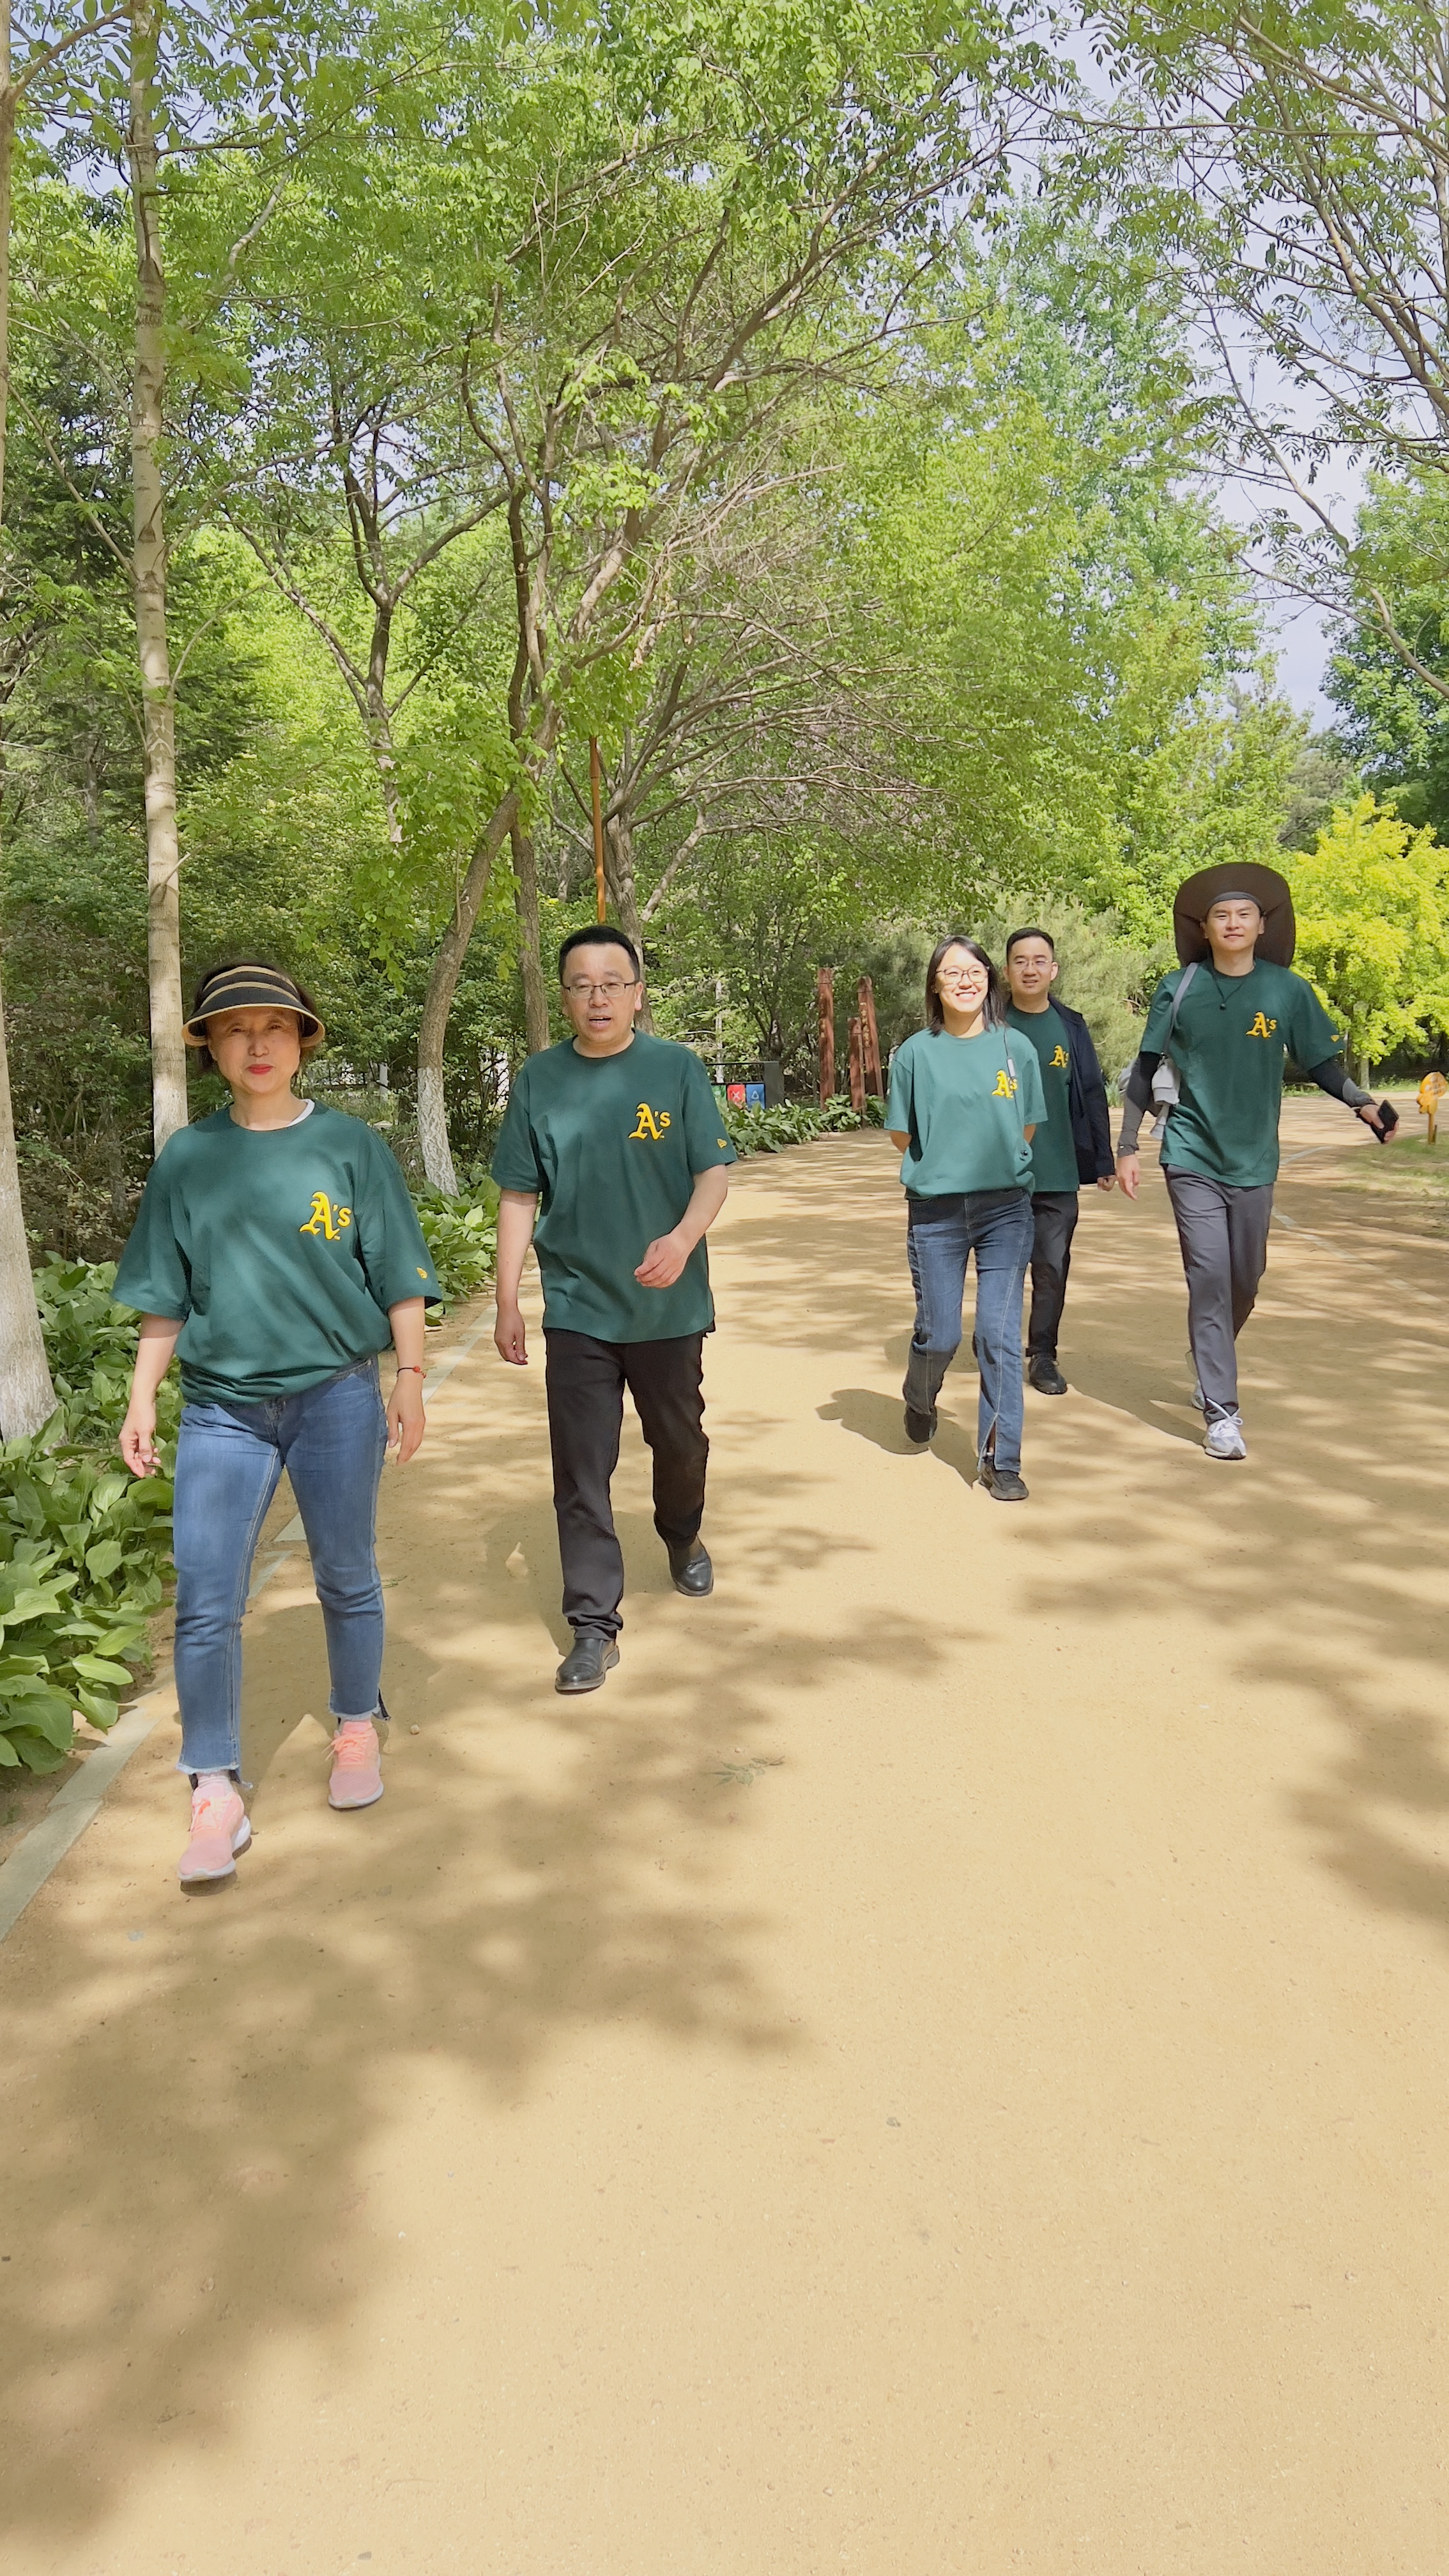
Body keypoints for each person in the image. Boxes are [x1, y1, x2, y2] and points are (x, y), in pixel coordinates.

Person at [115, 960, 440, 1888]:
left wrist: (410, 1379)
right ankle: (213, 1785)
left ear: (302, 1041)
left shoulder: (350, 1146)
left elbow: (398, 1272)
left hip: (338, 1394)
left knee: (347, 1571)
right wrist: (142, 1397)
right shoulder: (189, 1158)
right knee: (206, 1596)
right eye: (234, 1029)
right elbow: (165, 1294)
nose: (256, 1044)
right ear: (211, 1050)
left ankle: (354, 1725)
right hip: (222, 1408)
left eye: (274, 1027)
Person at [491, 926, 735, 1693]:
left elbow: (713, 1173)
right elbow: (519, 1194)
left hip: (668, 1305)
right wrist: (506, 1298)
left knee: (679, 1442)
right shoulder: (539, 1080)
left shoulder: (676, 1068)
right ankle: (593, 1625)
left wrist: (683, 1238)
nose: (596, 998)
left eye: (611, 983)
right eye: (581, 985)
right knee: (581, 1466)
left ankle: (682, 1532)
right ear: (564, 996)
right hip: (578, 1304)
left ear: (636, 992)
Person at [1116, 864, 1396, 1460]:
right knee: (1209, 1276)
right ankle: (1222, 1413)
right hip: (1190, 1152)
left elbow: (1320, 1062)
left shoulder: (1286, 990)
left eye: (1244, 914)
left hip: (1254, 1159)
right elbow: (1146, 1068)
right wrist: (1128, 1146)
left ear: (1262, 926)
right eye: (1221, 915)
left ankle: (1208, 1353)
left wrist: (1364, 1104)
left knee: (1245, 1278)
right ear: (1205, 928)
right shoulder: (1179, 986)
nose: (1233, 923)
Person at [885, 935, 1046, 1501]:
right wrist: (945, 1165)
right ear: (935, 984)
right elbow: (903, 1134)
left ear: (989, 979)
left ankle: (1001, 1460)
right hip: (937, 1213)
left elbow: (1026, 1125)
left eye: (975, 970)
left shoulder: (1016, 1048)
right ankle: (919, 1396)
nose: (965, 981)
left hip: (1007, 1209)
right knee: (941, 1335)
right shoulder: (914, 1054)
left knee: (998, 1335)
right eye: (952, 972)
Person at [1004, 926, 1116, 1395]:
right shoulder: (988, 1023)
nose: (1030, 969)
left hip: (1057, 1170)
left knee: (1052, 1267)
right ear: (1006, 971)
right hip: (999, 1173)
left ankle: (1043, 1355)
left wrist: (1104, 1159)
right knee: (1002, 1267)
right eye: (1020, 961)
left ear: (1053, 970)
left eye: (1039, 961)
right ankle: (998, 1345)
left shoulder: (1070, 1025)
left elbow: (1091, 1090)